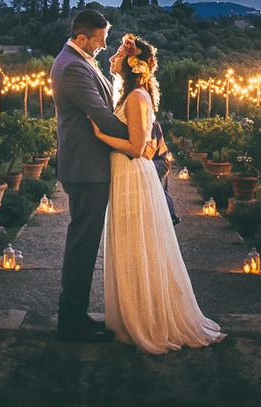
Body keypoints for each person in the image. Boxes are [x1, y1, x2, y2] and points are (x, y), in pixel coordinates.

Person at [92, 34, 225, 354]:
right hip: (124, 176)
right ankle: (133, 315)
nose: (113, 56)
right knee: (130, 245)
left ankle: (148, 321)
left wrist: (100, 134)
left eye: (120, 53)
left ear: (131, 63)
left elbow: (139, 148)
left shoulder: (138, 98)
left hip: (133, 177)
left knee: (138, 245)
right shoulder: (130, 95)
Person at [50, 8, 153, 343]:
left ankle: (75, 316)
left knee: (85, 242)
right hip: (86, 169)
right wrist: (138, 138)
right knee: (82, 245)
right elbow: (101, 116)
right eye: (99, 40)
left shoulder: (79, 61)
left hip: (92, 166)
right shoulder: (72, 68)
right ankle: (71, 321)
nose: (103, 46)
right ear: (82, 38)